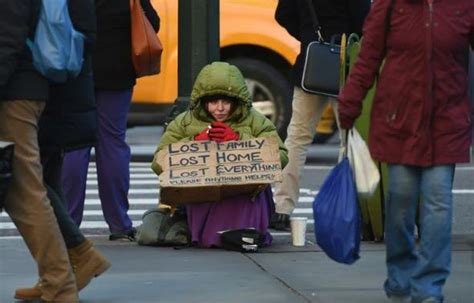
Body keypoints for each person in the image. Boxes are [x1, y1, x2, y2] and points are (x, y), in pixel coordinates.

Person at [337, 0, 474, 302]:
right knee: (400, 203)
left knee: (438, 203)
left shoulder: (464, 5)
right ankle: (400, 276)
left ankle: (429, 288)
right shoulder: (390, 5)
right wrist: (349, 103)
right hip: (398, 119)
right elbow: (367, 58)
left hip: (447, 120)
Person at [13, 0, 112, 300]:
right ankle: (58, 273)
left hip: (51, 86)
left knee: (30, 183)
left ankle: (75, 260)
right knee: (44, 179)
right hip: (60, 86)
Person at [151, 62, 288, 248]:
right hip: (203, 193)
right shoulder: (184, 122)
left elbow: (280, 156)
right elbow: (159, 161)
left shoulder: (256, 120)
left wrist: (240, 140)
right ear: (203, 102)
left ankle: (247, 233)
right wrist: (195, 142)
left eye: (226, 102)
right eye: (213, 102)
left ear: (237, 102)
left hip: (245, 193)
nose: (220, 108)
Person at [61, 0, 160, 241]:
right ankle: (119, 223)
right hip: (117, 71)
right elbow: (152, 22)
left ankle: (69, 223)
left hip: (75, 69)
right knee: (113, 144)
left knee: (74, 146)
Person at [0, 0, 77, 301]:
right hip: (20, 88)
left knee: (27, 192)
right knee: (24, 192)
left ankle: (60, 281)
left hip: (14, 94)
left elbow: (7, 38)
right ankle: (58, 278)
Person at [271, 0, 371, 230]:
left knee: (297, 138)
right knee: (350, 139)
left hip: (311, 62)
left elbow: (283, 15)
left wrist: (310, 37)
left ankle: (282, 207)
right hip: (345, 66)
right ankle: (349, 206)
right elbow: (365, 23)